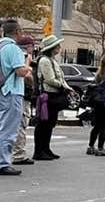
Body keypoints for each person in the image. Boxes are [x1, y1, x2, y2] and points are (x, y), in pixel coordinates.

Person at [34, 35, 77, 161]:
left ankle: (46, 149)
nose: (60, 47)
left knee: (50, 123)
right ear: (52, 47)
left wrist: (66, 86)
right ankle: (39, 151)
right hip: (48, 96)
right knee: (44, 123)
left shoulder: (52, 60)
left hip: (53, 95)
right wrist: (64, 86)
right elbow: (50, 79)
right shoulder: (45, 61)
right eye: (57, 45)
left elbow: (60, 78)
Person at [0, 19, 32, 176]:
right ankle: (3, 163)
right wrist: (27, 64)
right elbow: (21, 72)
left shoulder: (1, 46)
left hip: (2, 90)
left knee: (2, 125)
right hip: (12, 91)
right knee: (9, 129)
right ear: (17, 32)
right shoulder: (13, 49)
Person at [10, 34, 35, 167]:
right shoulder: (24, 57)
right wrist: (29, 69)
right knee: (21, 123)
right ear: (27, 46)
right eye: (32, 45)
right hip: (22, 94)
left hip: (21, 94)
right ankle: (18, 153)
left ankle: (17, 152)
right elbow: (25, 75)